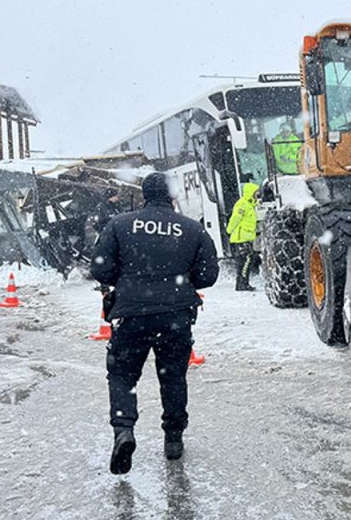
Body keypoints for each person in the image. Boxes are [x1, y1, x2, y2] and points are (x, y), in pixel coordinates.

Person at [91, 172, 219, 475]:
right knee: (173, 377)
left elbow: (100, 269)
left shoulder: (119, 224)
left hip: (131, 314)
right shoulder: (191, 228)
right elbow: (208, 275)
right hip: (175, 316)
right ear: (171, 195)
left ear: (143, 195)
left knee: (122, 376)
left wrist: (127, 280)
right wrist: (179, 280)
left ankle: (124, 430)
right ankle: (173, 438)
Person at [226, 181, 260, 291]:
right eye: (255, 192)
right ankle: (242, 284)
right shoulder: (242, 204)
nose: (257, 194)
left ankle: (242, 284)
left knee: (246, 261)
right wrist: (229, 230)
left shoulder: (250, 204)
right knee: (245, 261)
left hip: (247, 238)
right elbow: (235, 218)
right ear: (250, 192)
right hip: (240, 239)